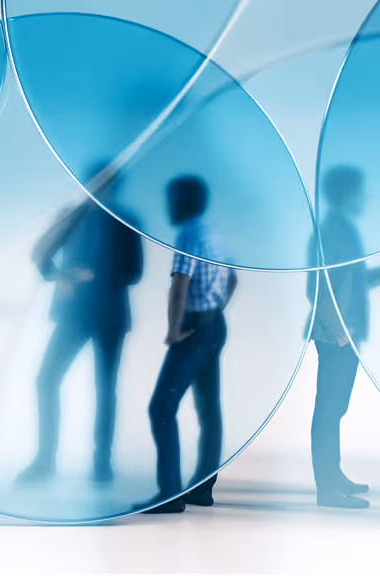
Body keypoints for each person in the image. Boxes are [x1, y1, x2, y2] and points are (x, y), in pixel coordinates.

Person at [307, 165, 380, 509]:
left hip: (344, 334)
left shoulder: (342, 228)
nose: (364, 197)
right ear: (347, 193)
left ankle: (334, 475)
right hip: (337, 336)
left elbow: (358, 280)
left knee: (335, 408)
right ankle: (327, 491)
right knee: (328, 410)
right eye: (360, 190)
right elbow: (316, 285)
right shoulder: (332, 231)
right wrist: (339, 330)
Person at [17, 165, 144, 485]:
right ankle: (45, 460)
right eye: (97, 183)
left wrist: (94, 277)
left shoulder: (126, 220)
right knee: (47, 380)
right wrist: (60, 276)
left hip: (108, 312)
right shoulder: (71, 215)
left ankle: (102, 462)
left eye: (107, 184)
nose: (102, 189)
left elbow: (134, 271)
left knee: (105, 388)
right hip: (75, 313)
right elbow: (40, 253)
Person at [143, 175, 236, 514]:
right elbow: (234, 276)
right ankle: (202, 489)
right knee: (209, 409)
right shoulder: (214, 232)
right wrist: (217, 309)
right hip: (215, 324)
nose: (168, 206)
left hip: (194, 328)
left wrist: (173, 329)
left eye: (171, 198)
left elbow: (179, 285)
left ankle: (170, 492)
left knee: (161, 408)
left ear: (182, 200)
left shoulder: (188, 235)